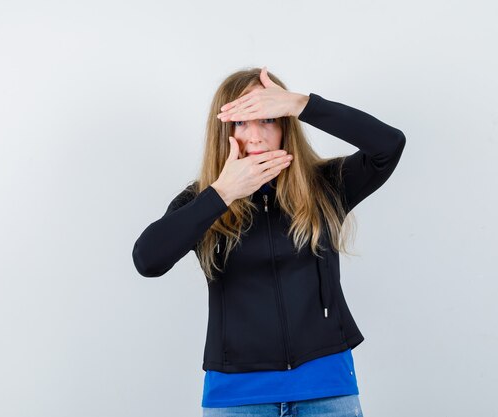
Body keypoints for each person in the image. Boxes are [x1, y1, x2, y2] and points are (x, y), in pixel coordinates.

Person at [132, 67, 406, 417]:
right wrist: (223, 192)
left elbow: (389, 144)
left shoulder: (324, 187)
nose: (257, 136)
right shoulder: (202, 201)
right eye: (242, 123)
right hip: (236, 396)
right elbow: (147, 260)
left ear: (285, 127)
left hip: (326, 387)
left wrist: (302, 104)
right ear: (224, 133)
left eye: (268, 120)